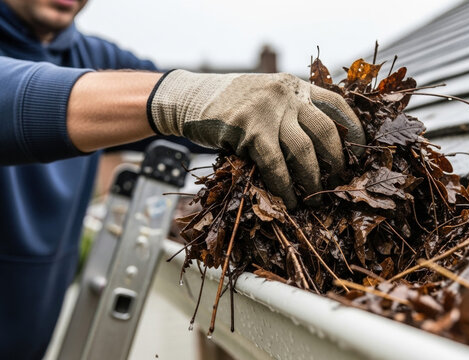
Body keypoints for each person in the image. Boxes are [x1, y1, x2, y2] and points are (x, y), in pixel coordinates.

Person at [0, 0, 365, 358]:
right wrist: (175, 98)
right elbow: (13, 92)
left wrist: (255, 102)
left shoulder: (94, 58)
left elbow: (208, 113)